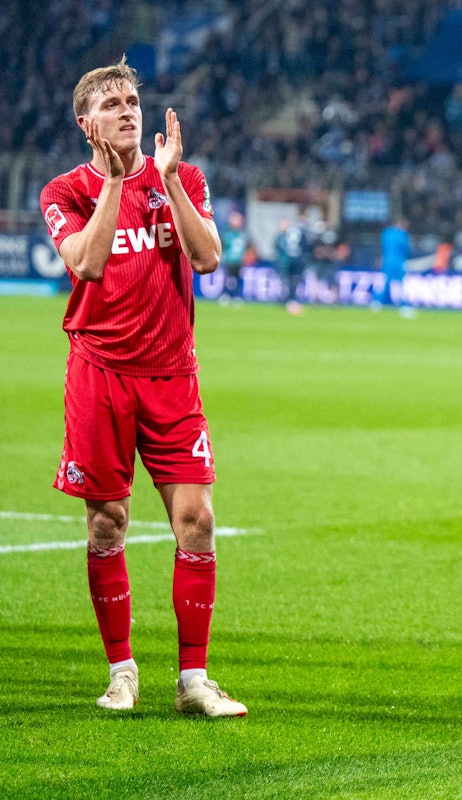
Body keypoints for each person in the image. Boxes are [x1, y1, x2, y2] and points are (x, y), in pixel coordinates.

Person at [38, 56, 246, 717]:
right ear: (85, 123)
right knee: (107, 523)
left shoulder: (179, 180)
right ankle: (122, 672)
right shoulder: (63, 191)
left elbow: (209, 258)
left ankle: (192, 681)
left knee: (198, 521)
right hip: (99, 375)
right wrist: (116, 183)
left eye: (132, 100)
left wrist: (168, 182)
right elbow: (88, 263)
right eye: (112, 103)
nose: (128, 110)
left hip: (172, 377)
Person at [374, 215, 413, 316]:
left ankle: (377, 303)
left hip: (387, 261)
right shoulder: (403, 235)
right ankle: (403, 305)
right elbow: (407, 250)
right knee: (400, 284)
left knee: (385, 283)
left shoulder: (386, 233)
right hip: (399, 262)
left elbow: (381, 247)